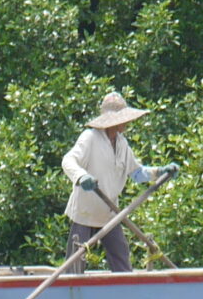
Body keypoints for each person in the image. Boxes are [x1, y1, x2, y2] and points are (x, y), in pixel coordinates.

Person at [61, 92, 177, 273]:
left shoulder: (122, 144)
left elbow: (137, 173)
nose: (126, 123)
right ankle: (71, 294)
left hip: (109, 213)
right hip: (85, 211)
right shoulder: (90, 138)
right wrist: (81, 176)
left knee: (121, 256)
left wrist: (160, 172)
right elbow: (68, 161)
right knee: (75, 264)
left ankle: (125, 293)